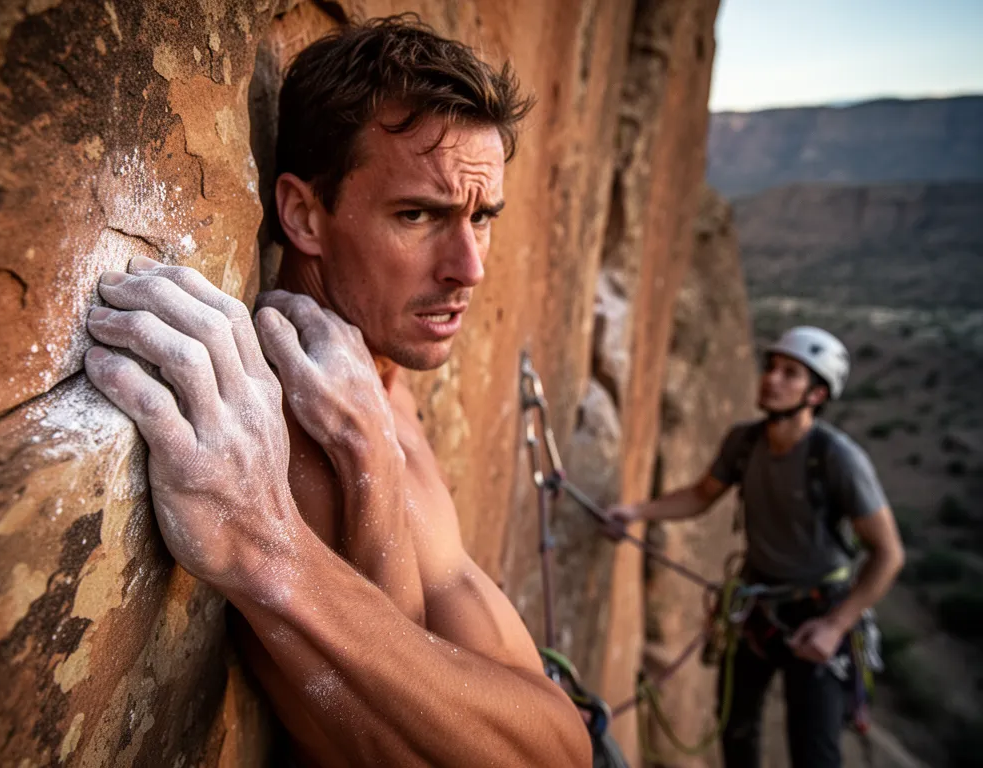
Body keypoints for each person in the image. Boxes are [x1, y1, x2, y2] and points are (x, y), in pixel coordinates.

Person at [83, 16, 591, 768]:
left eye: (482, 218)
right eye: (418, 215)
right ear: (303, 215)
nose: (469, 268)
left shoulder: (369, 369)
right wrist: (270, 545)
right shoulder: (287, 435)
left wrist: (371, 459)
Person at [607, 326, 905, 768]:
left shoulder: (837, 458)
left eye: (790, 374)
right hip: (759, 603)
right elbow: (702, 495)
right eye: (771, 368)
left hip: (820, 609)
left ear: (817, 394)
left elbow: (888, 554)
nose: (771, 379)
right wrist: (635, 513)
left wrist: (836, 626)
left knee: (814, 749)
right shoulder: (745, 442)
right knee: (736, 728)